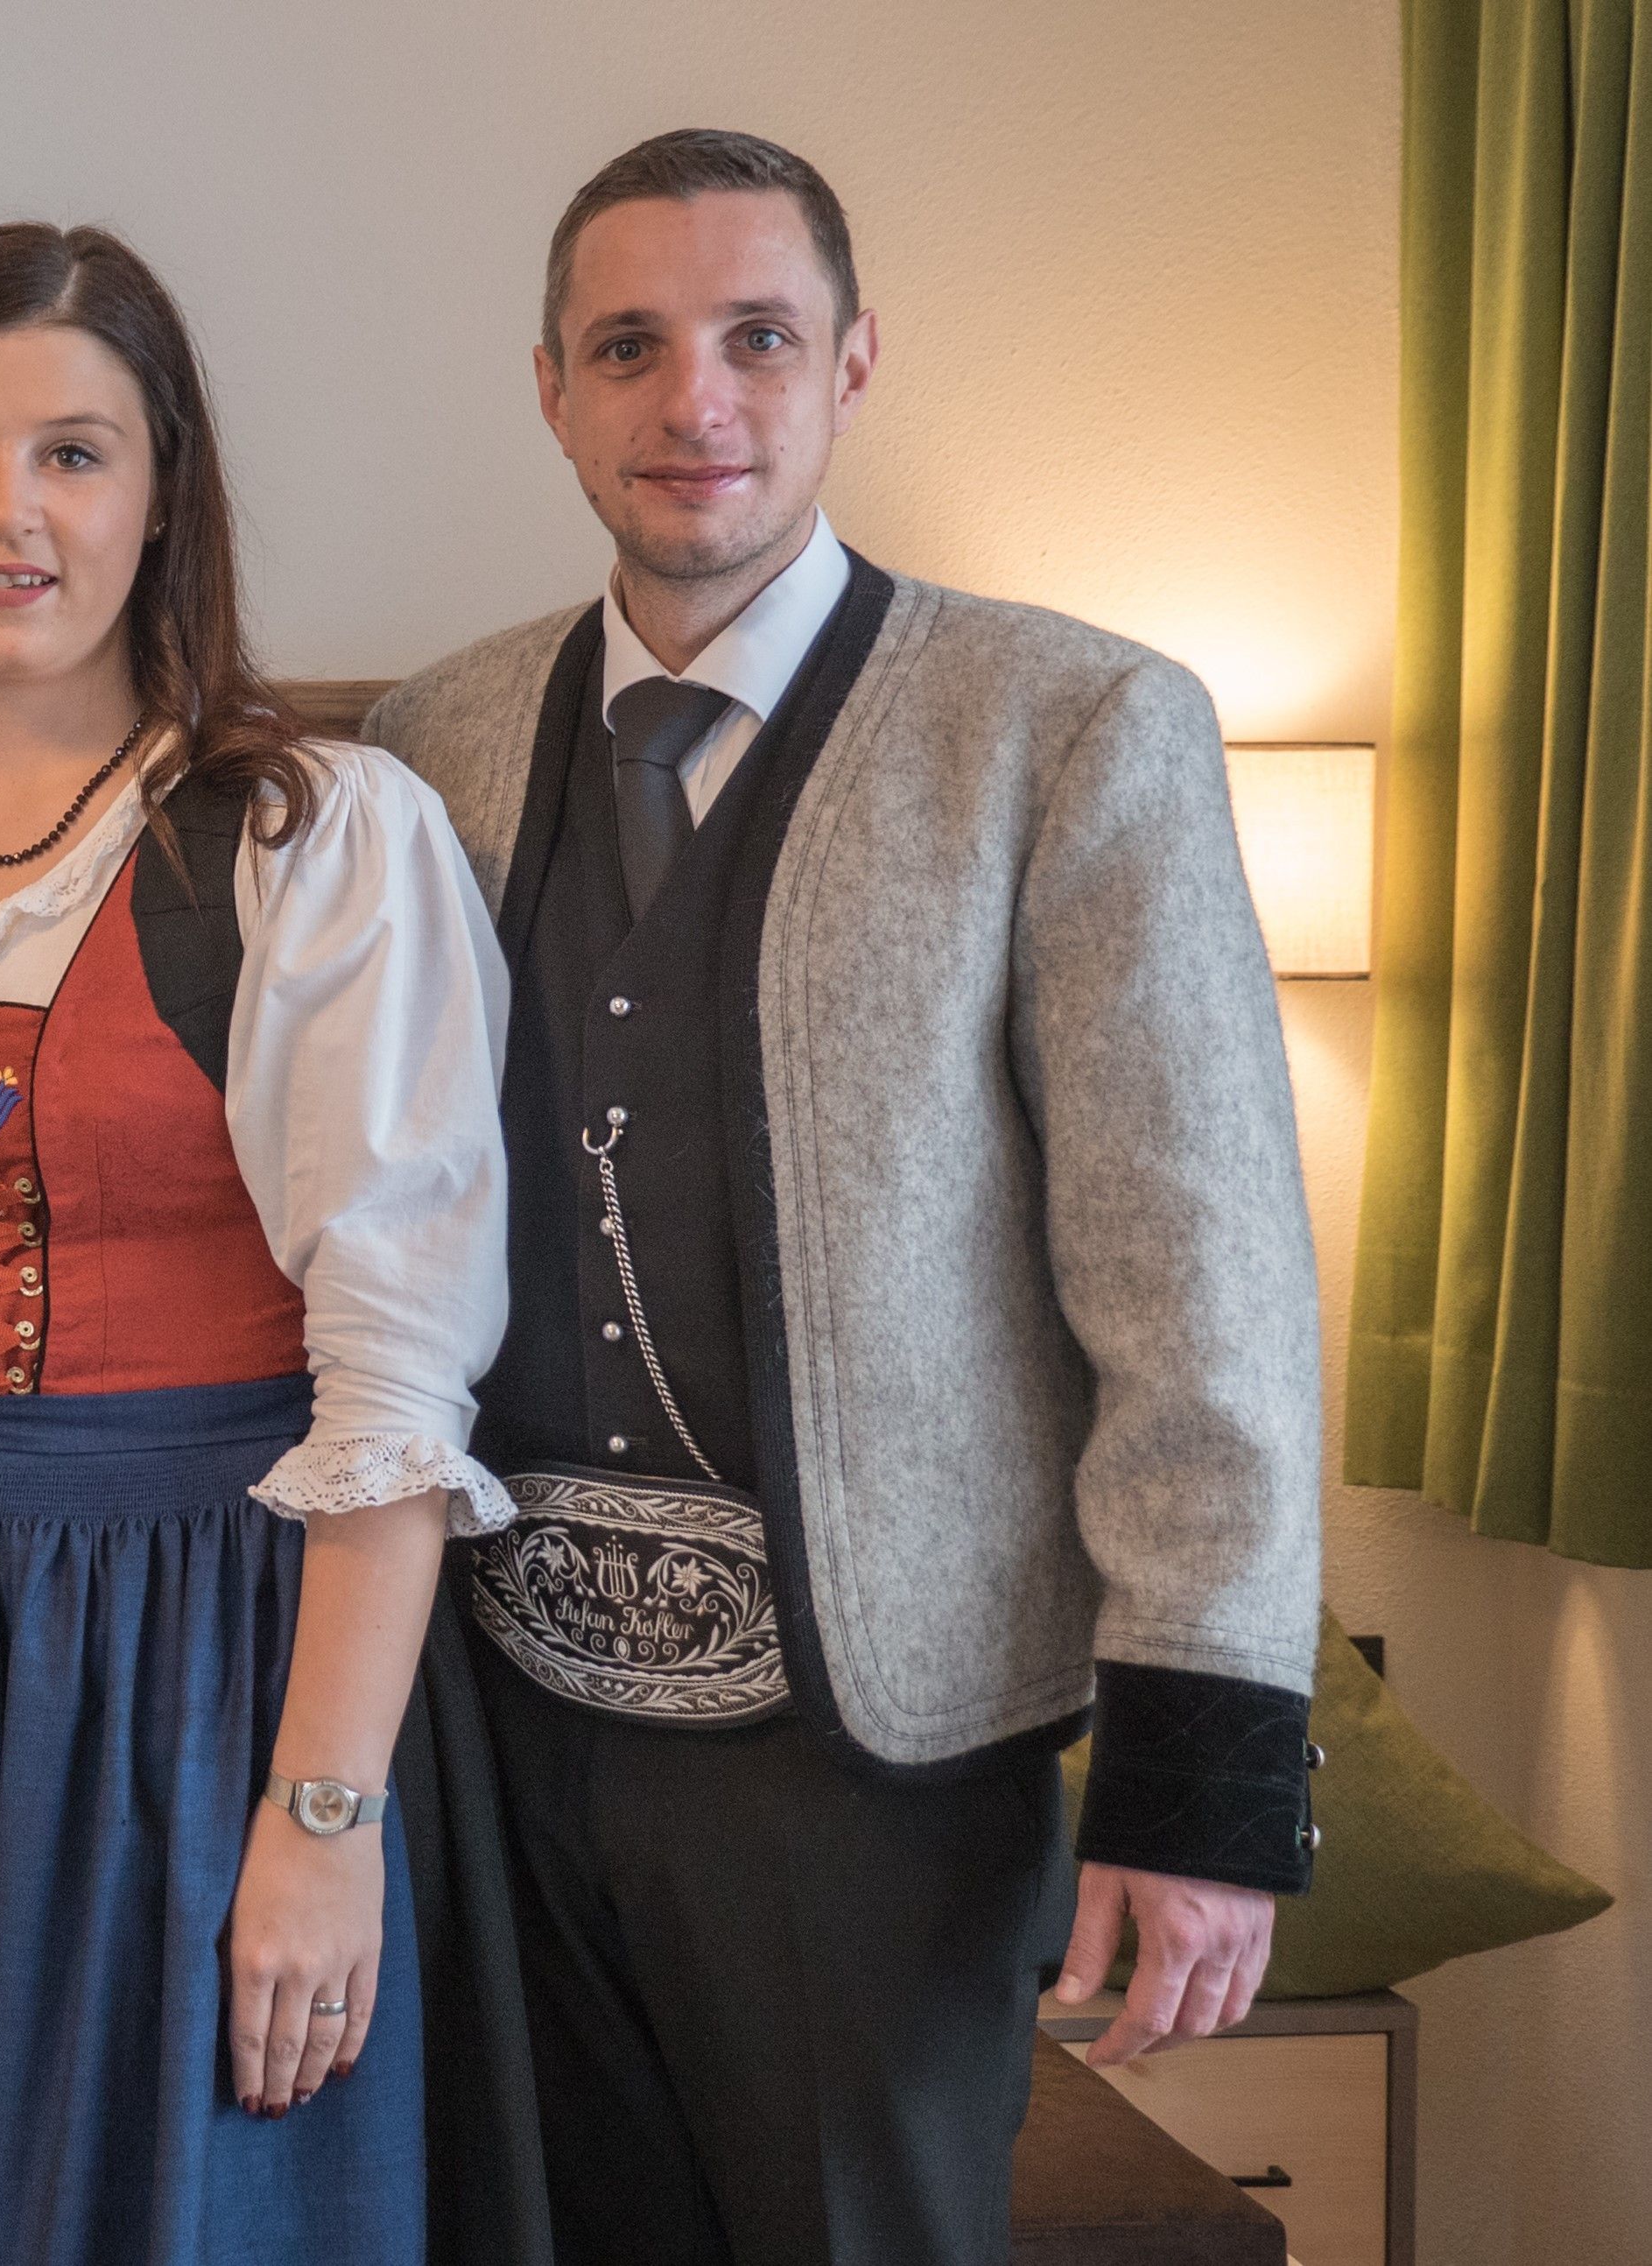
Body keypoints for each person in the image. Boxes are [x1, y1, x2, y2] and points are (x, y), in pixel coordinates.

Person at [362, 129, 1325, 2265]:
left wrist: (1198, 1777)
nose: (691, 400)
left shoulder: (1065, 727)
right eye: (628, 345)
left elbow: (1198, 1283)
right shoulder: (430, 743)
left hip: (868, 1766)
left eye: (756, 338)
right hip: (496, 1736)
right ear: (549, 388)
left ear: (851, 364)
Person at [0, 223, 545, 2266]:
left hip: (203, 1644)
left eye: (72, 453)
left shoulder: (309, 840)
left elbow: (395, 1364)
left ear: (161, 494)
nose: (9, 510)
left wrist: (321, 1818)